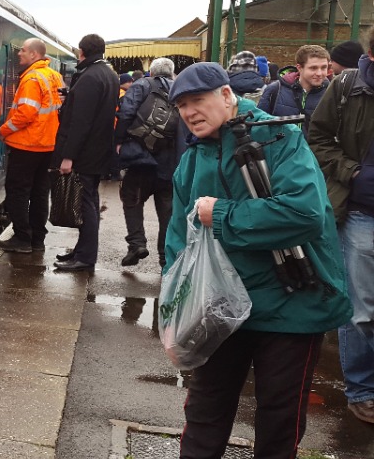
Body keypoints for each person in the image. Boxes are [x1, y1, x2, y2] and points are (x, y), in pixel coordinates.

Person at [164, 62, 351, 457]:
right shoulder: (191, 161)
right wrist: (174, 317)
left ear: (227, 96)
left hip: (291, 305)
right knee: (204, 414)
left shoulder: (278, 137)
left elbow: (305, 214)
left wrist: (223, 215)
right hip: (217, 309)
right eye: (181, 105)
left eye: (198, 100)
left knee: (278, 422)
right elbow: (178, 244)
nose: (189, 112)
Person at [308, 39, 374, 425]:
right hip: (364, 213)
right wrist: (353, 173)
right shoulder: (348, 87)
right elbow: (317, 139)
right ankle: (363, 390)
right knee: (361, 310)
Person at [52, 34, 119, 272]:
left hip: (86, 154)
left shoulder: (90, 77)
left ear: (82, 52)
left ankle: (86, 257)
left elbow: (81, 121)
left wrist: (68, 156)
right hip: (97, 150)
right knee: (88, 202)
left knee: (86, 205)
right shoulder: (108, 74)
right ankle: (81, 252)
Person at [0, 38, 64, 253]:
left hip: (27, 145)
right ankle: (37, 239)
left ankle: (22, 238)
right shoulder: (55, 76)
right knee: (39, 193)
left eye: (23, 51)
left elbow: (25, 113)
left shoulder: (32, 79)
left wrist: (3, 130)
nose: (19, 54)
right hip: (48, 146)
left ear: (34, 55)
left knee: (17, 191)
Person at [114, 57, 181, 268]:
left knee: (132, 200)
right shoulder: (181, 89)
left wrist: (118, 140)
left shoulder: (143, 85)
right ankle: (165, 258)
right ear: (172, 73)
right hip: (170, 163)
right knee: (167, 213)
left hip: (141, 159)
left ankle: (137, 244)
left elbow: (126, 112)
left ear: (151, 72)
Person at [258, 45, 330, 137]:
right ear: (299, 68)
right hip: (281, 150)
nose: (319, 73)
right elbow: (259, 126)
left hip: (313, 151)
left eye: (324, 67)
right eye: (313, 68)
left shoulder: (331, 93)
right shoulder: (275, 90)